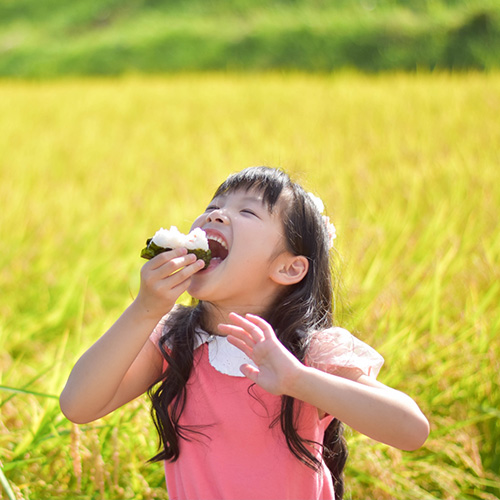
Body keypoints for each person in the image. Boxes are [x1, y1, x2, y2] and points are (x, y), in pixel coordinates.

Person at [60, 166, 429, 500]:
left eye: (247, 211)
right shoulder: (173, 340)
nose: (215, 214)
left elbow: (411, 430)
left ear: (288, 269)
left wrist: (298, 380)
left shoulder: (306, 352)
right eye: (213, 205)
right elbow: (78, 405)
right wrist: (145, 309)